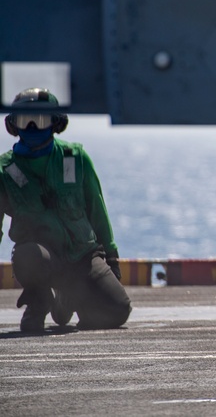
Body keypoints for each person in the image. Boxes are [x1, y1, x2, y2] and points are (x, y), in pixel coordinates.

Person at [0, 88, 131, 332]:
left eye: (40, 120)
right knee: (28, 256)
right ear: (13, 125)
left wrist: (111, 257)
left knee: (117, 311)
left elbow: (97, 209)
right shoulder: (6, 170)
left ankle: (70, 298)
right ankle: (38, 302)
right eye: (24, 120)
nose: (31, 127)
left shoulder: (74, 158)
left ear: (55, 123)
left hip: (82, 256)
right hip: (41, 259)